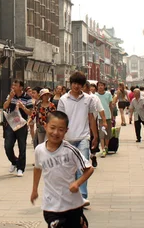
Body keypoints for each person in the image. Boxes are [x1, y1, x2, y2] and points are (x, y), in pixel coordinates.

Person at [31, 111, 93, 228]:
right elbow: (37, 168)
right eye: (52, 128)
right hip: (51, 204)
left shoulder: (70, 150)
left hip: (72, 203)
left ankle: (80, 221)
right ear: (46, 126)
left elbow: (89, 169)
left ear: (66, 131)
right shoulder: (39, 150)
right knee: (57, 225)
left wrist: (77, 183)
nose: (55, 133)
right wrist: (34, 190)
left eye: (60, 129)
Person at [57, 71, 98, 205]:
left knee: (83, 167)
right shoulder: (63, 99)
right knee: (69, 169)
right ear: (70, 84)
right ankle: (71, 195)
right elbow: (60, 119)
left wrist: (95, 135)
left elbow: (91, 117)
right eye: (74, 83)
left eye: (78, 84)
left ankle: (82, 196)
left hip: (83, 137)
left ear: (82, 85)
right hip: (68, 139)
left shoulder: (88, 99)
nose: (76, 86)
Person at [3, 80, 33, 177]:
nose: (13, 86)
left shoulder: (27, 98)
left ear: (21, 87)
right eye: (13, 85)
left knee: (22, 146)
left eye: (15, 85)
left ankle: (20, 168)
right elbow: (4, 106)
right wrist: (10, 98)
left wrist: (23, 107)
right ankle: (14, 161)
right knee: (8, 146)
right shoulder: (10, 95)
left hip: (21, 125)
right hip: (11, 124)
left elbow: (30, 113)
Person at [96, 81, 113, 157]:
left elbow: (110, 105)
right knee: (102, 134)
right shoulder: (95, 95)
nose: (100, 87)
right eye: (99, 85)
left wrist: (112, 116)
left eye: (102, 85)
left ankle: (106, 147)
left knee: (107, 134)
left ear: (104, 86)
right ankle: (103, 149)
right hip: (100, 118)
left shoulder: (108, 94)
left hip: (108, 116)